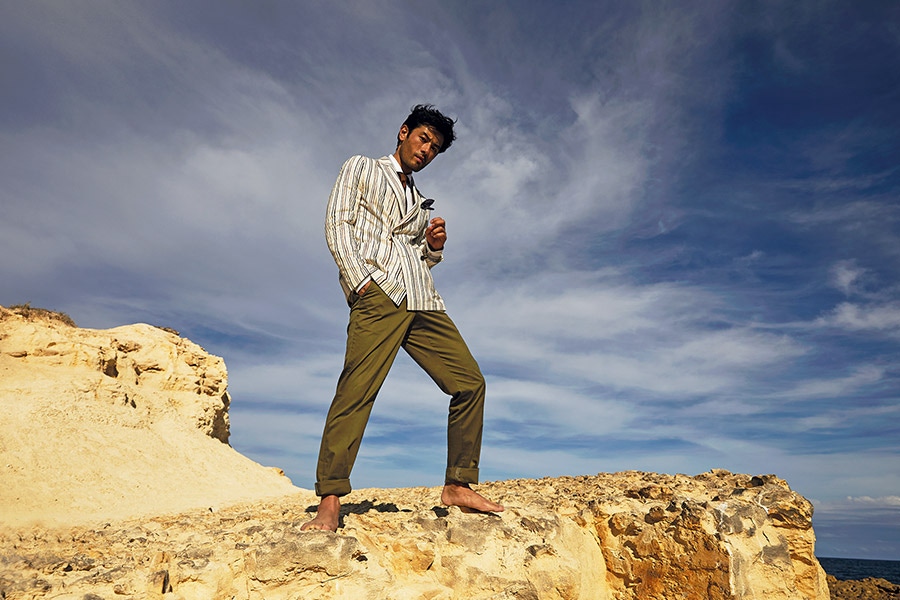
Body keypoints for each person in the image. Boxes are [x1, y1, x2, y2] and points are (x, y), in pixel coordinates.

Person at [301, 104, 504, 532]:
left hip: (424, 299)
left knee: (469, 382)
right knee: (357, 388)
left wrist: (432, 246)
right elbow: (337, 223)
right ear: (403, 132)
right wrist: (360, 282)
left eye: (435, 148)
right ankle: (331, 497)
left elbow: (418, 259)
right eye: (423, 139)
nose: (427, 150)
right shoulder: (361, 167)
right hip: (378, 294)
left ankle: (458, 484)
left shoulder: (419, 202)